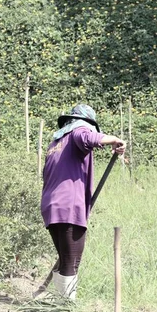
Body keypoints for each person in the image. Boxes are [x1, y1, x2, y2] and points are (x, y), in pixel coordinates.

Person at [39, 104, 125, 300]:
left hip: (51, 205)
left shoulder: (56, 143)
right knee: (71, 261)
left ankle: (58, 301)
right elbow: (88, 137)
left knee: (65, 258)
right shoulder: (79, 131)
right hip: (69, 205)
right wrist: (115, 140)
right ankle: (65, 307)